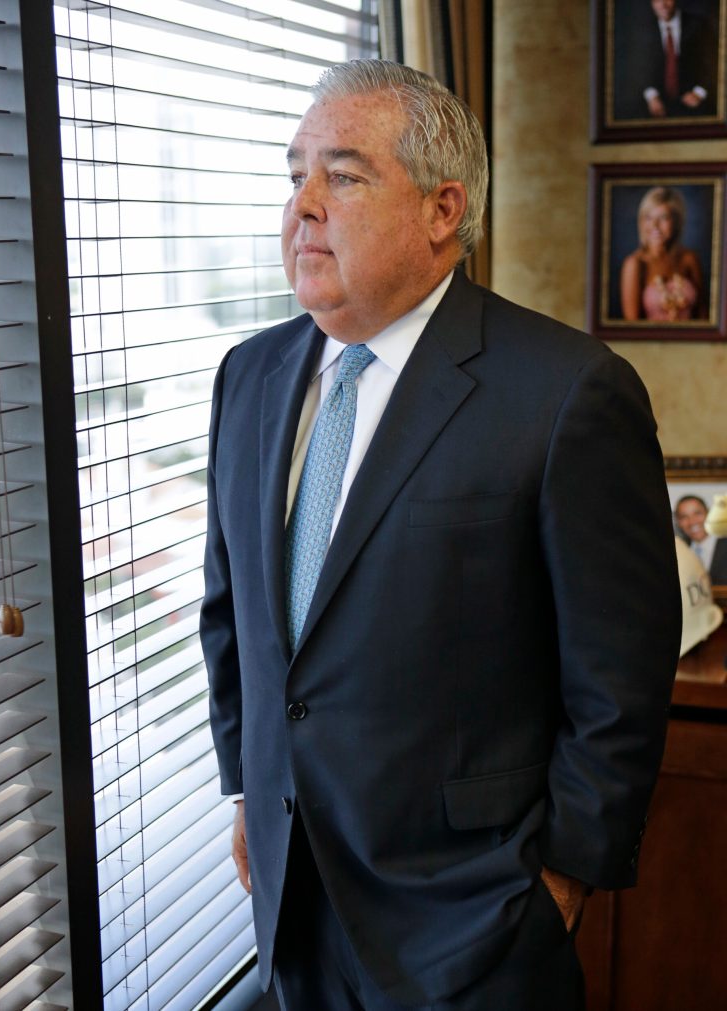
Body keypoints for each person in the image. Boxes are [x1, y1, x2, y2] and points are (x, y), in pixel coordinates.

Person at [200, 59, 682, 1011]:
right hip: (290, 899)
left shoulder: (567, 393)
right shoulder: (246, 376)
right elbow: (232, 611)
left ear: (442, 208)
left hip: (472, 923)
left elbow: (619, 676)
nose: (302, 205)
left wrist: (562, 885)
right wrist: (250, 789)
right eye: (294, 173)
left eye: (342, 175)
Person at [614, 0, 717, 120]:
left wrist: (699, 92)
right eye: (657, 0)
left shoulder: (698, 24)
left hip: (694, 99)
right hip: (655, 100)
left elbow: (715, 62)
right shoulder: (641, 29)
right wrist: (652, 96)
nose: (663, 4)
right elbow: (637, 69)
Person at [619, 186, 705, 321]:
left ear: (676, 221)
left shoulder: (689, 259)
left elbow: (703, 316)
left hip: (693, 341)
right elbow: (632, 326)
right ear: (641, 221)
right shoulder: (635, 264)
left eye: (663, 217)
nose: (654, 225)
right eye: (648, 217)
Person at [675, 494, 727, 583]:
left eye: (697, 513)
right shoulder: (679, 553)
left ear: (709, 514)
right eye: (684, 517)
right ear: (678, 522)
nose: (692, 521)